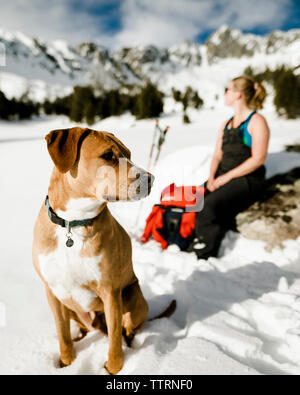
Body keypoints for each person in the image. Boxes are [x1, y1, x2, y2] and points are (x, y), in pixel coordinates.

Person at [190, 76, 270, 260]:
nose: (225, 94)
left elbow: (258, 159)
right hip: (222, 176)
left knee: (209, 206)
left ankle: (204, 255)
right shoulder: (226, 124)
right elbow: (217, 154)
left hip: (248, 179)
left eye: (227, 90)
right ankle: (195, 240)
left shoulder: (256, 121)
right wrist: (211, 178)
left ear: (238, 94)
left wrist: (224, 179)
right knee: (195, 199)